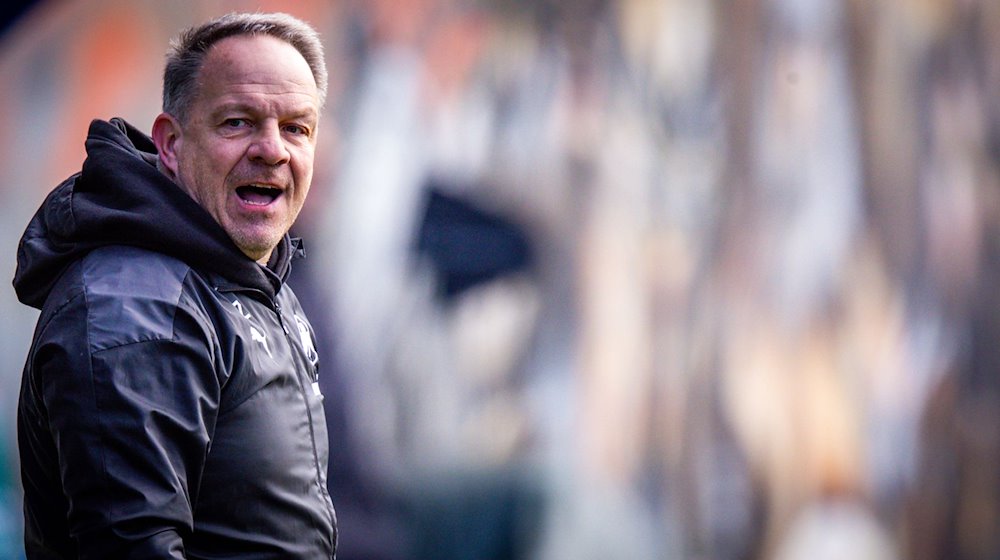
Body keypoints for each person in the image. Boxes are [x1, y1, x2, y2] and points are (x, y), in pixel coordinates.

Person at [12, 12, 336, 558]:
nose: (272, 149)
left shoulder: (245, 276)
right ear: (171, 143)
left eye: (296, 128)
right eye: (237, 122)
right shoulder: (137, 309)